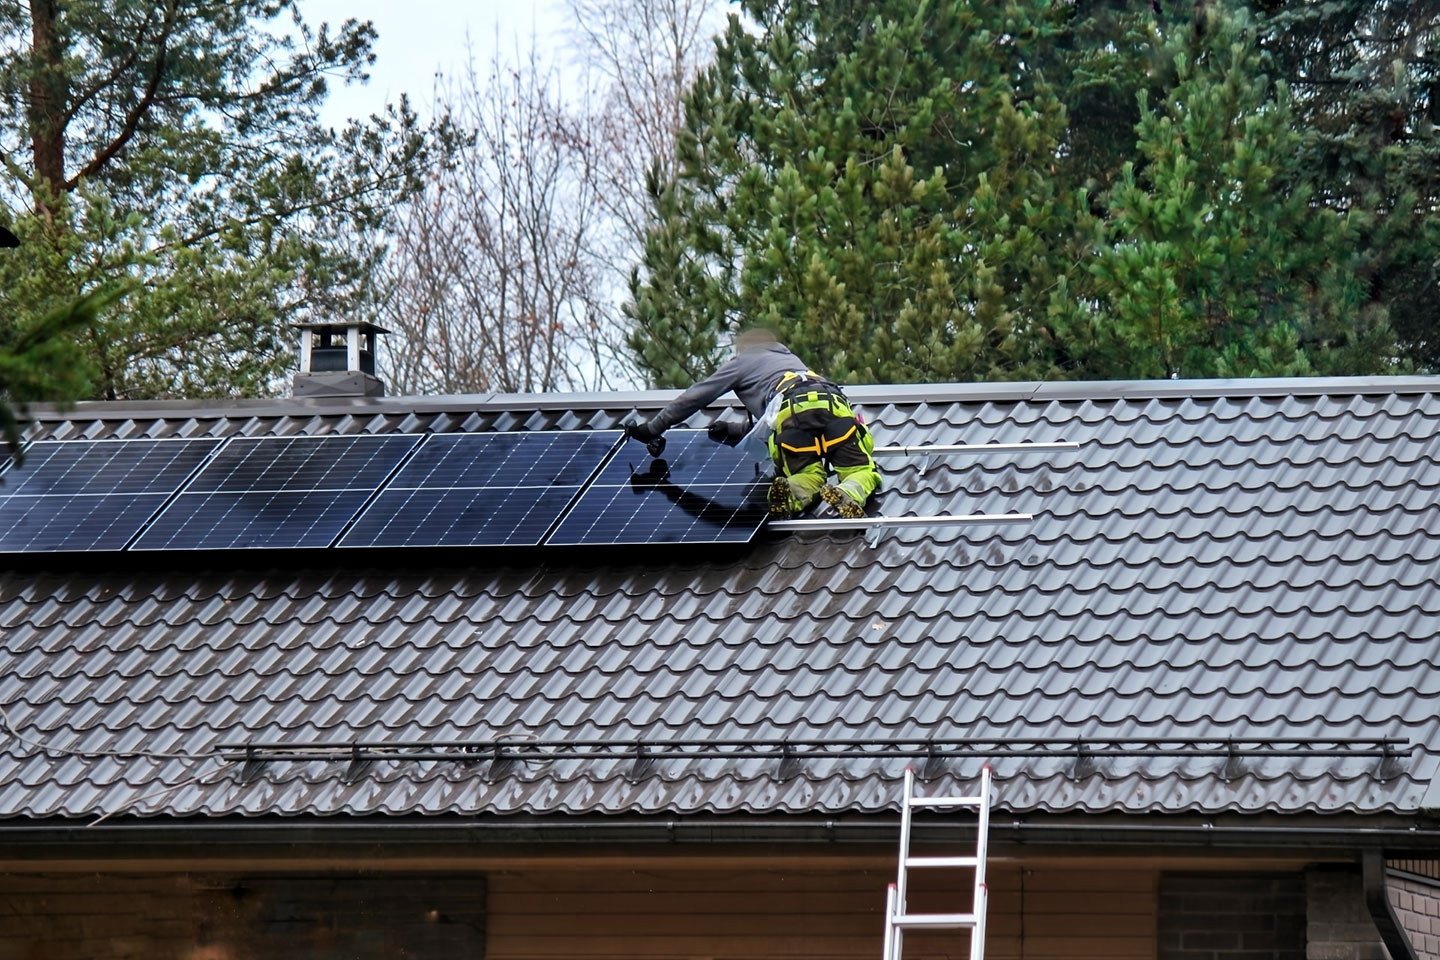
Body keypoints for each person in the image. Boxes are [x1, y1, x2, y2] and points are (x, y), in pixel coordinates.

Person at [625, 329, 881, 519]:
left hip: (791, 414)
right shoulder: (791, 359)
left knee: (807, 474)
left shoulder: (743, 361)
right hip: (834, 404)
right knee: (859, 470)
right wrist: (733, 431)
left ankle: (788, 492)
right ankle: (847, 492)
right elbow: (770, 421)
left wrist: (653, 428)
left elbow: (695, 396)